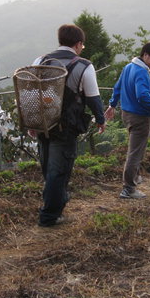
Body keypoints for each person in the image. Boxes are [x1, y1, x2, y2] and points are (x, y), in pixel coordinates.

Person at [33, 24, 106, 227]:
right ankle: (49, 216)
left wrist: (31, 121)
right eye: (82, 45)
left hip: (42, 124)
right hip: (65, 128)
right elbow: (93, 98)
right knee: (58, 170)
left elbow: (30, 92)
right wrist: (101, 119)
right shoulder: (83, 65)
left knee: (49, 169)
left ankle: (57, 204)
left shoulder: (41, 61)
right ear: (78, 44)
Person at [104, 41, 150, 199]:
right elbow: (143, 95)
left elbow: (117, 87)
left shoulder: (128, 67)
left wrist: (112, 105)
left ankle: (135, 177)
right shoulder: (142, 72)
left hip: (127, 113)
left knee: (135, 149)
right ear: (146, 55)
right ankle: (128, 188)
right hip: (139, 116)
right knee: (135, 152)